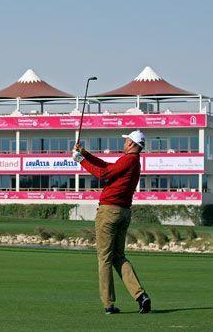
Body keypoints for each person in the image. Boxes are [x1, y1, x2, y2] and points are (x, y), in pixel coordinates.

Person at [72, 130, 151, 315]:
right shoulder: (132, 161)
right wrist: (84, 153)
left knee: (105, 258)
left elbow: (103, 174)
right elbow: (107, 166)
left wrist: (80, 161)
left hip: (109, 211)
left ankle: (108, 304)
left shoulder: (128, 160)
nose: (124, 144)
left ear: (132, 144)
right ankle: (141, 296)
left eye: (126, 141)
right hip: (124, 212)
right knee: (118, 257)